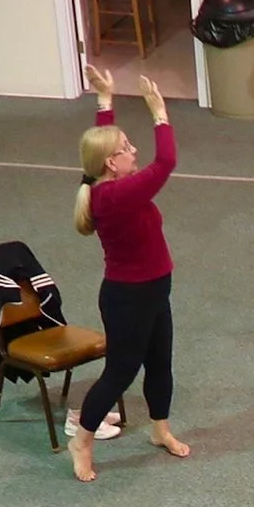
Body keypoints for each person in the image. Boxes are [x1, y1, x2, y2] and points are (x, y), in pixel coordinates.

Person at [70, 64, 191, 481]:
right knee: (120, 372)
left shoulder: (108, 181)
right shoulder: (117, 195)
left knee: (160, 363)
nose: (133, 151)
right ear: (112, 163)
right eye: (127, 147)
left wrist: (105, 100)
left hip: (155, 288)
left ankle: (160, 429)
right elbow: (168, 159)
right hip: (128, 297)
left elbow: (102, 145)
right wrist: (158, 111)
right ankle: (82, 440)